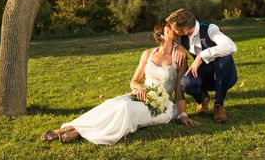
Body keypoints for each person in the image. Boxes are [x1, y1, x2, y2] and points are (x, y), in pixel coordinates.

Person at [40, 19, 199, 145]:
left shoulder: (179, 56)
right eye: (168, 28)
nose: (173, 29)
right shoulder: (147, 54)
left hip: (162, 103)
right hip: (142, 94)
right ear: (161, 34)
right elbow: (134, 81)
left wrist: (183, 114)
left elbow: (179, 90)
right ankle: (69, 128)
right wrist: (140, 88)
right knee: (112, 103)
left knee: (125, 108)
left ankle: (78, 132)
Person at [166, 9, 237, 123]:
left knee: (225, 58)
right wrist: (177, 46)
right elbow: (168, 35)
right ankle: (202, 99)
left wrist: (201, 56)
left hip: (223, 74)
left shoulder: (210, 29)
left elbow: (231, 46)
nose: (173, 32)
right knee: (186, 82)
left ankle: (219, 105)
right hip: (202, 74)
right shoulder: (181, 34)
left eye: (175, 30)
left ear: (184, 30)